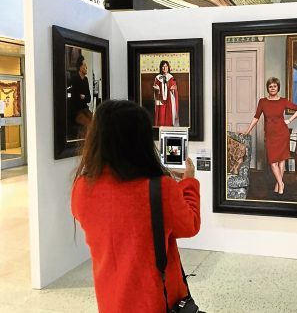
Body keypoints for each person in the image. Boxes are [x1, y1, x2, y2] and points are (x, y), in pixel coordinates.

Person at [71, 100, 200, 312]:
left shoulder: (82, 187)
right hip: (157, 301)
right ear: (140, 139)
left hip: (110, 300)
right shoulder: (160, 188)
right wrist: (188, 184)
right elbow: (190, 225)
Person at [244, 77, 297, 194]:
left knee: (281, 161)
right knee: (273, 161)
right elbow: (256, 117)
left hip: (282, 133)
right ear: (268, 88)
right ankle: (281, 183)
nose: (272, 88)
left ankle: (278, 185)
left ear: (278, 88)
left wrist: (289, 120)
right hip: (270, 135)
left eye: (275, 86)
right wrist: (248, 131)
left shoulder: (283, 101)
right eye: (270, 86)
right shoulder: (263, 101)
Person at [153, 60, 179, 127]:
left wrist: (173, 90)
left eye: (166, 66)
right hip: (160, 100)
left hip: (169, 100)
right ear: (161, 68)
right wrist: (157, 90)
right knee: (161, 117)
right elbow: (155, 92)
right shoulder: (157, 78)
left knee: (169, 116)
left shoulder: (171, 78)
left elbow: (174, 90)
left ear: (168, 67)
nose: (165, 68)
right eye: (163, 66)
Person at [70, 55, 92, 128]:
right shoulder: (74, 79)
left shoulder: (86, 80)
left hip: (85, 109)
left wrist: (84, 97)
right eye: (85, 66)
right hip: (77, 112)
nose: (86, 68)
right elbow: (76, 99)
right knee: (89, 124)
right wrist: (83, 97)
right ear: (80, 67)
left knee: (97, 121)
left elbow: (89, 99)